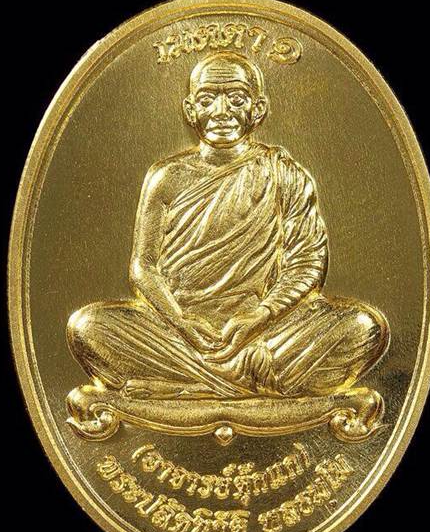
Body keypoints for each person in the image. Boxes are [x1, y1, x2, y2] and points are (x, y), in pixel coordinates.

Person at [67, 52, 389, 403]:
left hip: (262, 332)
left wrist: (260, 316)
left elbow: (306, 263)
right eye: (208, 100)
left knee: (362, 327)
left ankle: (191, 385)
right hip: (180, 333)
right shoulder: (167, 177)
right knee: (89, 327)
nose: (221, 111)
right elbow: (144, 268)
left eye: (236, 99)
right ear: (191, 110)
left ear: (258, 109)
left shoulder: (283, 173)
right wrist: (182, 323)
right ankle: (245, 381)